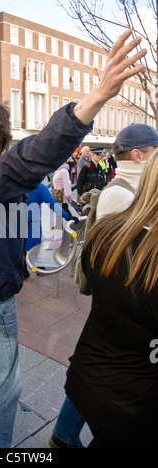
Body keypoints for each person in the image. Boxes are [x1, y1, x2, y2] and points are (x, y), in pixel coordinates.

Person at [0, 30, 147, 448]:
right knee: (9, 386)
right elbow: (45, 147)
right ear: (3, 140)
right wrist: (94, 98)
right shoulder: (0, 173)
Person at [49, 123, 158, 449]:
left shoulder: (124, 192)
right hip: (123, 326)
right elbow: (127, 264)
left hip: (111, 342)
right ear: (139, 155)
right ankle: (63, 436)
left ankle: (63, 435)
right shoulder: (121, 195)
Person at [24, 183, 77, 278]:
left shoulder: (19, 184)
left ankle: (25, 269)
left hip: (19, 221)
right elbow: (52, 203)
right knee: (34, 247)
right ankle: (37, 268)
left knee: (21, 248)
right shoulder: (40, 187)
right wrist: (67, 216)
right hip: (32, 222)